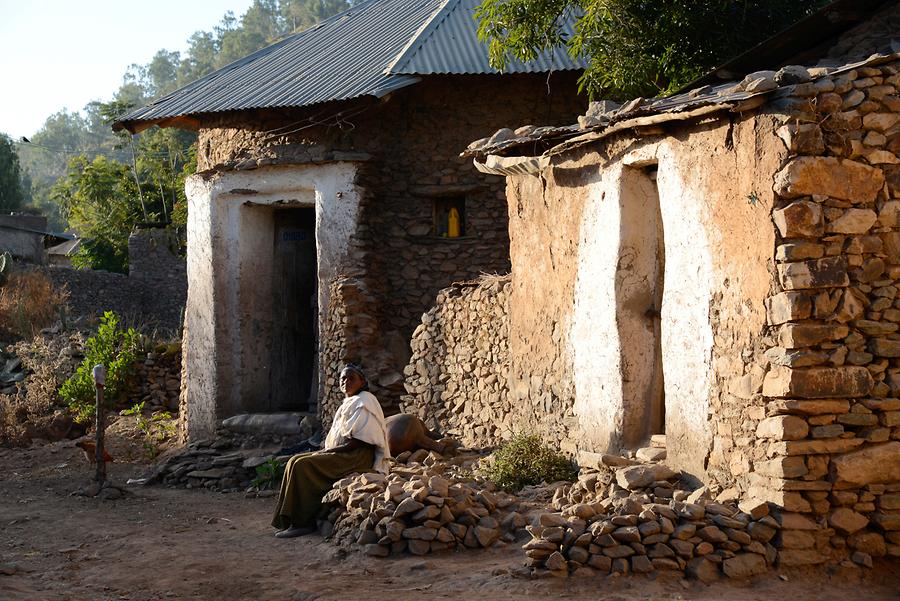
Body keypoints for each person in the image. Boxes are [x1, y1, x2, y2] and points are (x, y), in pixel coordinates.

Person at [272, 363, 390, 538]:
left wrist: (327, 452)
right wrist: (327, 451)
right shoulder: (349, 402)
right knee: (293, 461)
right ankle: (288, 519)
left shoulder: (364, 401)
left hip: (356, 457)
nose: (346, 382)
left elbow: (358, 443)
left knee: (303, 465)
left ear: (362, 382)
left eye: (351, 378)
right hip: (345, 453)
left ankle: (303, 522)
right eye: (343, 378)